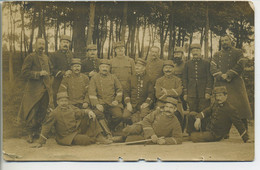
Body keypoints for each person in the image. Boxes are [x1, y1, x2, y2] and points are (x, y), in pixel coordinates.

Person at [33, 92, 111, 148]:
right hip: (66, 137)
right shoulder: (55, 113)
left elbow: (81, 112)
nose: (64, 103)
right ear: (57, 102)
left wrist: (89, 111)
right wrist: (40, 142)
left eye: (66, 101)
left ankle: (99, 136)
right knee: (85, 139)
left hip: (75, 130)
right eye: (62, 101)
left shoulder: (71, 107)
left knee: (89, 115)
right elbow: (46, 126)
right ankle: (95, 139)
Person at [210, 35, 252, 130]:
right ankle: (225, 132)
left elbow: (241, 64)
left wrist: (228, 74)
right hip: (222, 84)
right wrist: (221, 75)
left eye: (226, 40)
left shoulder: (238, 52)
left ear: (230, 41)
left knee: (240, 107)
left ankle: (244, 132)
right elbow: (212, 67)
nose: (224, 42)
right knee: (223, 107)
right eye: (222, 41)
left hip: (236, 84)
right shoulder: (217, 54)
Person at [17, 38, 54, 143]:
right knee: (32, 111)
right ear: (35, 45)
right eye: (39, 44)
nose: (41, 46)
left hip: (45, 89)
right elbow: (24, 73)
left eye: (43, 44)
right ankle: (30, 134)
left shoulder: (46, 58)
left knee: (42, 111)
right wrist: (38, 74)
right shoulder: (30, 57)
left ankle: (37, 132)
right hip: (33, 90)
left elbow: (51, 69)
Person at [89, 59, 123, 137]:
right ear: (99, 68)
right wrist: (97, 104)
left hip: (112, 102)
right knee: (98, 113)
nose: (105, 69)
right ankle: (107, 133)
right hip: (100, 102)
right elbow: (92, 93)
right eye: (103, 67)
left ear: (109, 68)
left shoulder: (113, 77)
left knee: (119, 115)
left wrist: (117, 100)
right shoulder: (94, 78)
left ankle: (110, 128)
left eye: (106, 67)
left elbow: (119, 89)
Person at [182, 44, 213, 113]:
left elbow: (209, 78)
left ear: (200, 51)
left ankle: (204, 124)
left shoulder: (206, 63)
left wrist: (208, 92)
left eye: (197, 50)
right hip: (191, 93)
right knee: (192, 112)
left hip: (203, 93)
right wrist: (185, 93)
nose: (195, 52)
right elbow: (184, 78)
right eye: (193, 51)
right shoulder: (187, 64)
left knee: (204, 111)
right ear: (191, 52)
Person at [123, 58, 154, 124]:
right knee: (125, 116)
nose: (136, 67)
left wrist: (147, 103)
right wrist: (128, 104)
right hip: (132, 103)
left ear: (144, 68)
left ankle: (140, 130)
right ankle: (132, 127)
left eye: (139, 66)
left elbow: (151, 93)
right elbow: (126, 92)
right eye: (136, 66)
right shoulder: (131, 78)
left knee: (144, 116)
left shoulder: (148, 78)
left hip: (143, 103)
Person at [155, 60, 184, 130]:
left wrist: (166, 92)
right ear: (163, 69)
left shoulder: (178, 80)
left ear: (173, 69)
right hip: (162, 102)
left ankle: (178, 131)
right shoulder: (159, 81)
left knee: (177, 114)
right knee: (159, 113)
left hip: (176, 103)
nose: (168, 70)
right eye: (166, 68)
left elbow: (179, 92)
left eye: (170, 68)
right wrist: (172, 94)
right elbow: (158, 95)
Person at [50, 35, 74, 106]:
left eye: (67, 42)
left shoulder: (72, 54)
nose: (65, 44)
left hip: (69, 79)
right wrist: (63, 73)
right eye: (64, 42)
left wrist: (71, 71)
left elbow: (73, 65)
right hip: (58, 80)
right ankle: (57, 111)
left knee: (69, 95)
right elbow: (51, 69)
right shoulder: (54, 55)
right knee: (57, 95)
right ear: (60, 43)